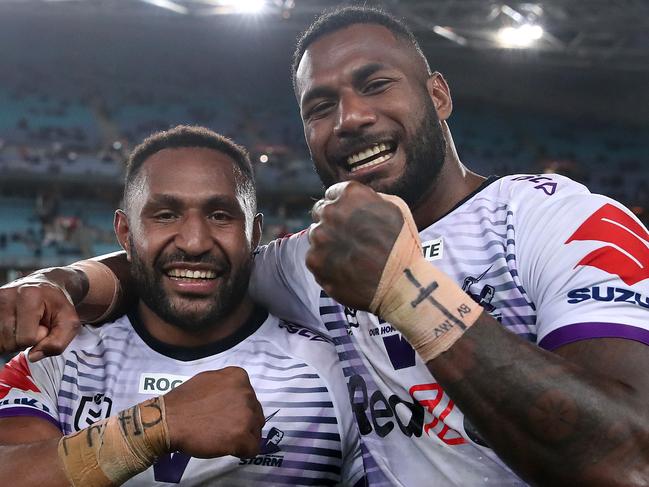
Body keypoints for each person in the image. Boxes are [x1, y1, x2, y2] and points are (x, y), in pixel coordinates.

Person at [1, 6, 649, 486]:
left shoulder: (558, 221)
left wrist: (405, 292)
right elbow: (185, 262)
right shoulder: (312, 259)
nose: (349, 118)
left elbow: (627, 457)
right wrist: (64, 283)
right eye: (319, 106)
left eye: (374, 84)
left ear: (437, 93)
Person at [0, 126, 364, 487]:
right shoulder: (55, 361)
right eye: (165, 215)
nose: (194, 243)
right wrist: (155, 427)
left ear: (253, 234)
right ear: (125, 233)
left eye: (220, 215)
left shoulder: (333, 373)